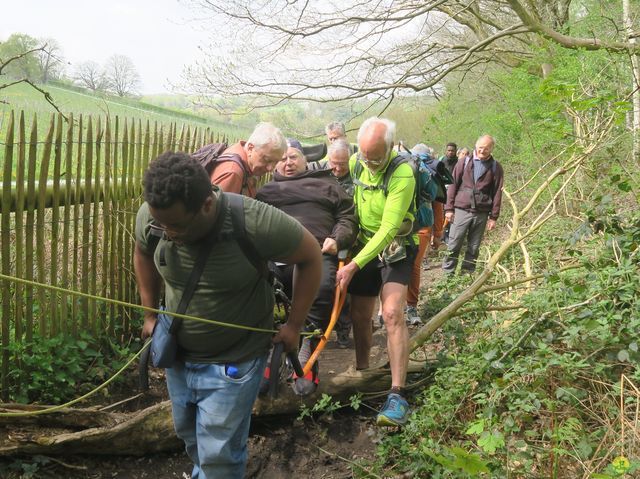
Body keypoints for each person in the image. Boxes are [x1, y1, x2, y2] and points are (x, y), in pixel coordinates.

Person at [134, 152, 322, 478]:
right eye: (159, 223)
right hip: (177, 356)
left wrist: (294, 325)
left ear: (207, 204)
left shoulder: (252, 220)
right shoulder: (155, 217)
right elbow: (142, 251)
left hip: (234, 363)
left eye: (176, 225)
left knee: (219, 452)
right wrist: (150, 314)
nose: (166, 232)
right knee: (191, 437)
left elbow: (311, 256)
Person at [256, 139, 358, 394]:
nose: (288, 163)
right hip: (275, 255)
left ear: (305, 160)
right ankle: (269, 355)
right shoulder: (266, 192)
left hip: (315, 252)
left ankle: (307, 353)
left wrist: (338, 238)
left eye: (293, 157)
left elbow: (347, 217)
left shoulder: (327, 185)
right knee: (256, 288)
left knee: (322, 288)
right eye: (282, 159)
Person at [335, 117, 416, 427]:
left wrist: (355, 264)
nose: (369, 163)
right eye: (365, 156)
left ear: (391, 147)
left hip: (394, 248)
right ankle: (363, 373)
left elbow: (389, 227)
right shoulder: (356, 162)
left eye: (376, 157)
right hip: (362, 245)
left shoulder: (403, 173)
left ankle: (397, 394)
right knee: (359, 314)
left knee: (393, 312)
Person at [306, 138, 355, 346]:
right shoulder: (320, 175)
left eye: (342, 164)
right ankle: (319, 328)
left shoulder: (356, 179)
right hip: (322, 237)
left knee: (342, 286)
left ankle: (343, 329)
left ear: (350, 161)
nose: (336, 168)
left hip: (346, 236)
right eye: (333, 163)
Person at [442, 135, 504, 275]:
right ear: (476, 146)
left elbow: (497, 193)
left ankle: (466, 276)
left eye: (486, 148)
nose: (483, 151)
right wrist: (449, 209)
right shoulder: (464, 162)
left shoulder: (496, 167)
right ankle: (448, 275)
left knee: (474, 247)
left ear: (492, 149)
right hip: (460, 210)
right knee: (453, 244)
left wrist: (493, 217)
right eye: (480, 147)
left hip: (481, 213)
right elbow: (453, 185)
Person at [204, 122, 287, 197]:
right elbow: (215, 211)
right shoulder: (233, 173)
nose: (270, 168)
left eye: (276, 162)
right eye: (267, 159)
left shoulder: (246, 165)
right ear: (251, 148)